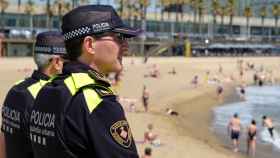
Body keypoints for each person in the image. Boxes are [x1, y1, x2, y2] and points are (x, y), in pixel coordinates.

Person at [29, 5, 141, 158]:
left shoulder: (47, 90)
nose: (126, 46)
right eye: (119, 38)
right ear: (89, 45)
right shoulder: (97, 103)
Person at [0, 31, 66, 158]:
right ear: (57, 62)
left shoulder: (15, 88)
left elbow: (3, 139)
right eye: (66, 60)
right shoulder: (49, 95)